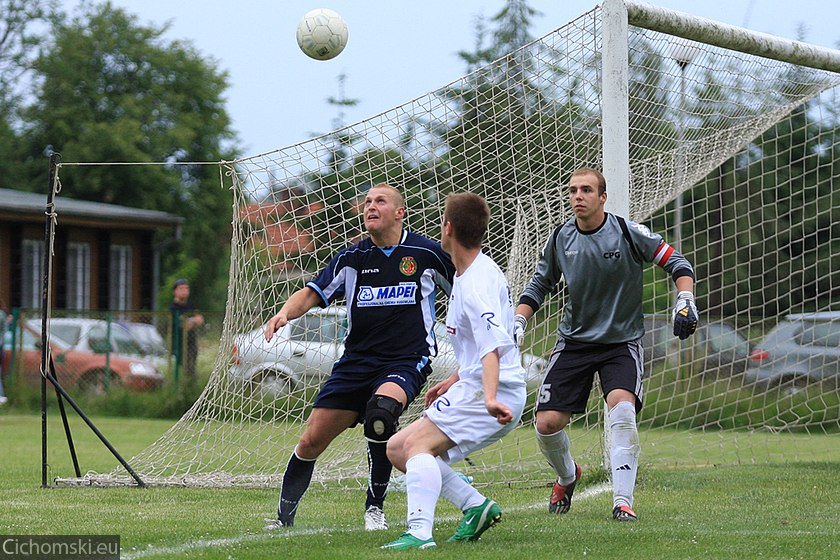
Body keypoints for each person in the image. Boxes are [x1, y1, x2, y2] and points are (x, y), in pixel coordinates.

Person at [263, 183, 455, 531]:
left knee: (380, 416)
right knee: (310, 441)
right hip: (356, 362)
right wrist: (284, 315)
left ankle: (374, 508)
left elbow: (465, 287)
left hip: (406, 358)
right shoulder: (352, 258)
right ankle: (283, 519)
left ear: (400, 212)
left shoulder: (426, 253)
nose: (370, 206)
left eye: (379, 201)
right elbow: (311, 293)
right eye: (366, 202)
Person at [514, 167, 697, 522]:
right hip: (575, 342)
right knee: (547, 423)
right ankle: (568, 477)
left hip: (621, 342)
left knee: (622, 411)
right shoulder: (560, 238)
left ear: (602, 197)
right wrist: (519, 321)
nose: (577, 196)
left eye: (585, 190)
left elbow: (677, 262)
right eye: (572, 191)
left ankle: (623, 501)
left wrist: (685, 299)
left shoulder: (627, 233)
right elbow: (538, 286)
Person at [380, 192, 527, 550]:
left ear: (448, 228)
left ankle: (419, 533)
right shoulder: (471, 272)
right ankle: (475, 506)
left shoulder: (475, 284)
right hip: (479, 384)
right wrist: (454, 379)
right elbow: (481, 348)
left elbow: (493, 347)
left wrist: (489, 397)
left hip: (493, 391)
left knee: (416, 446)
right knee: (397, 448)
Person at [169, 279, 205, 384]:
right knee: (181, 368)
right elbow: (183, 325)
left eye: (186, 288)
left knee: (191, 368)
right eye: (181, 288)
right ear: (175, 291)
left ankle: (189, 388)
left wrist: (190, 320)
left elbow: (200, 320)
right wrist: (192, 321)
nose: (184, 291)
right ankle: (179, 389)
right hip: (179, 343)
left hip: (191, 342)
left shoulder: (191, 306)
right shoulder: (173, 308)